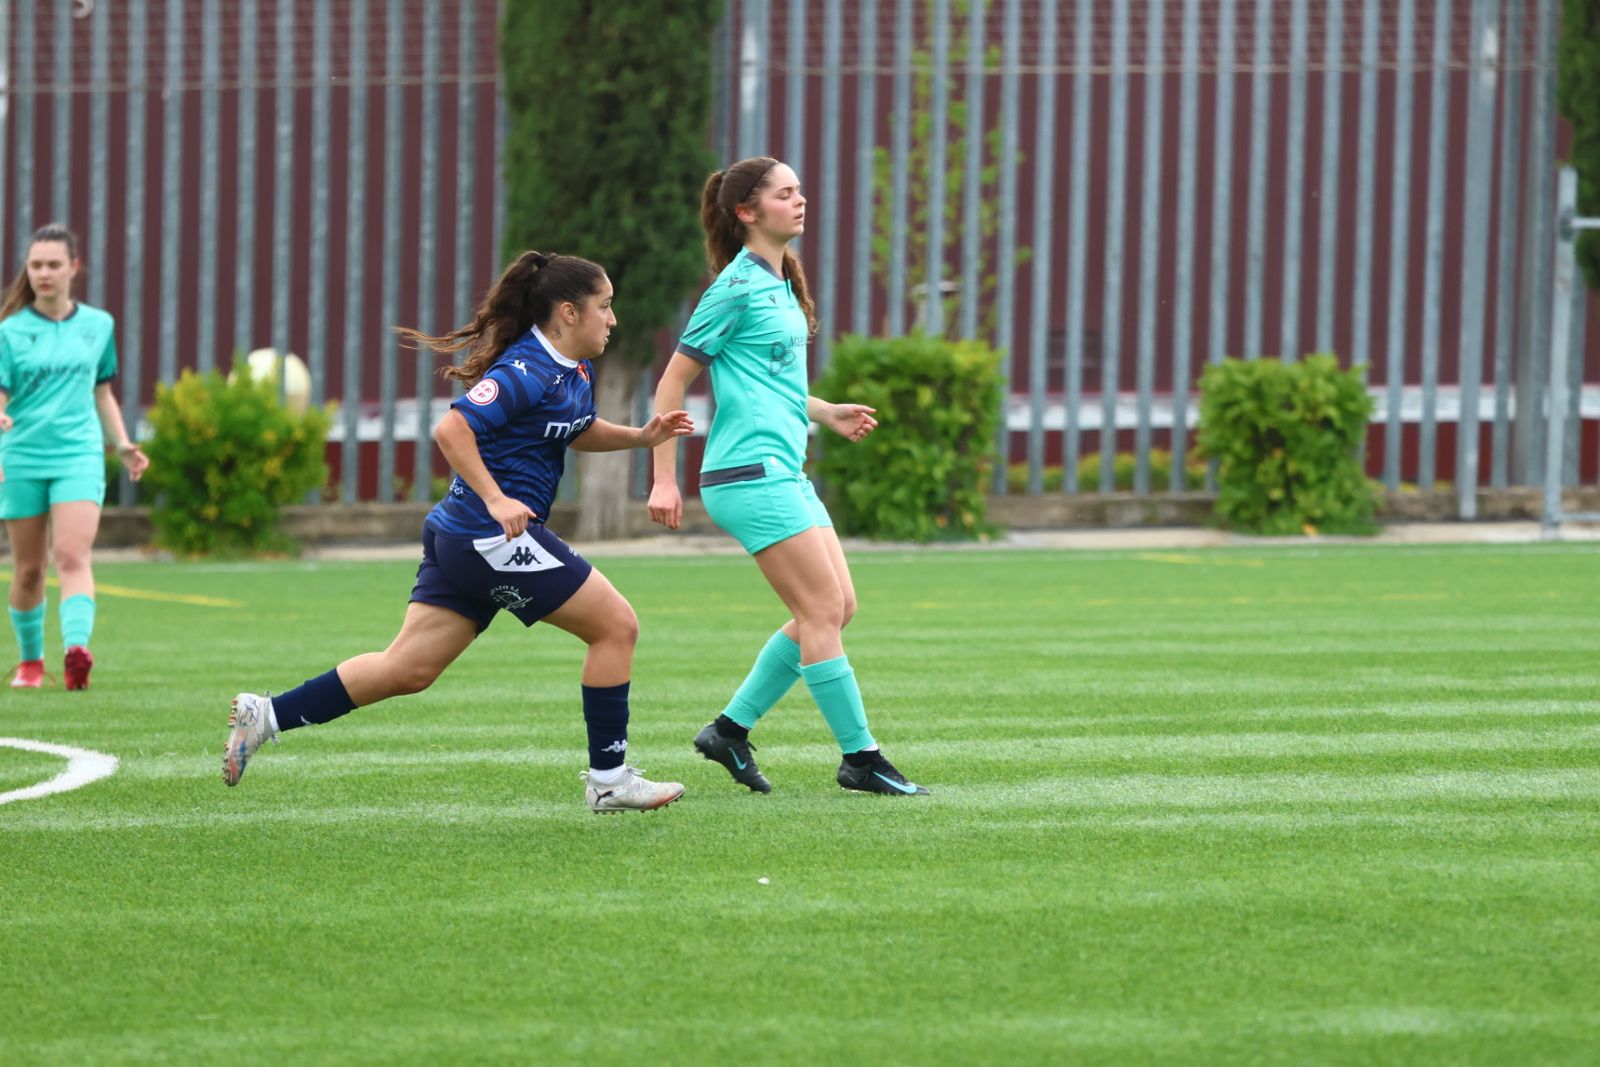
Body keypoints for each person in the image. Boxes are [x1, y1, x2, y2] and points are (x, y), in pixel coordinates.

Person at [224, 251, 694, 813]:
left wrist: (641, 437)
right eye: (605, 306)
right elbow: (452, 429)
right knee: (616, 626)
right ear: (568, 313)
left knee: (408, 669)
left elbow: (575, 427)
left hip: (463, 539)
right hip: (486, 537)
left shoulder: (573, 369)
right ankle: (610, 779)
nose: (613, 319)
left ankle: (266, 715)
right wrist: (497, 499)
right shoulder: (525, 370)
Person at [647, 157, 929, 797]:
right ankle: (861, 758)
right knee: (822, 608)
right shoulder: (735, 286)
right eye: (785, 193)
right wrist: (664, 479)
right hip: (747, 475)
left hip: (780, 469)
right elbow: (672, 381)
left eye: (800, 190)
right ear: (747, 212)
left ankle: (728, 731)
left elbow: (770, 383)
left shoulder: (778, 283)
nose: (800, 201)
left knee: (836, 608)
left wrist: (823, 411)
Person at [0, 223, 148, 691]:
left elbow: (103, 393)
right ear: (28, 269)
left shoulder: (98, 325)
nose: (44, 273)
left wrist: (122, 444)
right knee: (27, 569)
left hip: (79, 455)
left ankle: (76, 651)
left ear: (73, 268)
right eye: (36, 265)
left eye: (53, 264)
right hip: (22, 456)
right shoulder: (10, 331)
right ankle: (30, 663)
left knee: (71, 554)